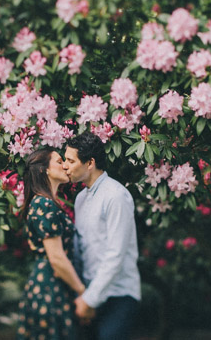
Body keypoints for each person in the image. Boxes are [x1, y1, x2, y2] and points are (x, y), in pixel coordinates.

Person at [63, 132, 141, 340]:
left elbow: (116, 254)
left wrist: (89, 299)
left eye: (70, 161)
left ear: (90, 163)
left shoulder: (116, 195)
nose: (65, 166)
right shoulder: (80, 199)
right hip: (90, 296)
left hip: (118, 295)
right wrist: (85, 297)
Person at [17, 148, 86, 340]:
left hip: (54, 286)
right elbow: (56, 257)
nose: (65, 165)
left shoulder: (47, 203)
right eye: (58, 161)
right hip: (50, 286)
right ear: (44, 170)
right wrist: (82, 292)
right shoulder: (43, 204)